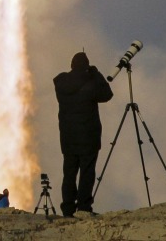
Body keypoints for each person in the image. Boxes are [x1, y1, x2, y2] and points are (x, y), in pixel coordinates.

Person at [54, 51, 114, 216]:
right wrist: (96, 74)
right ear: (86, 66)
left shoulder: (61, 83)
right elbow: (107, 94)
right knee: (87, 172)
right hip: (88, 136)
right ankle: (84, 207)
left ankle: (67, 208)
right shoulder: (91, 82)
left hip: (68, 137)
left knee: (69, 173)